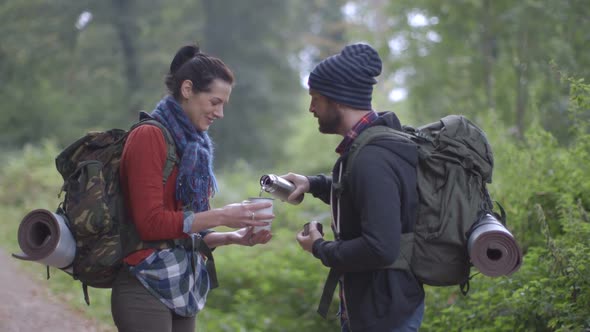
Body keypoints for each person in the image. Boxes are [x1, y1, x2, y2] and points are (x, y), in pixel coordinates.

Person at [111, 44, 274, 332]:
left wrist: (233, 237)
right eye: (214, 102)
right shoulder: (149, 136)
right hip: (144, 283)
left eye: (223, 104)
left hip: (182, 285)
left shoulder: (196, 148)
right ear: (187, 89)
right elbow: (151, 225)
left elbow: (186, 232)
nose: (220, 113)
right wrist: (223, 215)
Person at [282, 43, 425, 331]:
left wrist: (319, 248)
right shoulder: (371, 145)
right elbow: (358, 192)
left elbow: (380, 248)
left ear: (338, 99)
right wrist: (311, 183)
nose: (311, 108)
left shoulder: (372, 158)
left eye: (316, 98)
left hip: (384, 314)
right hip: (380, 306)